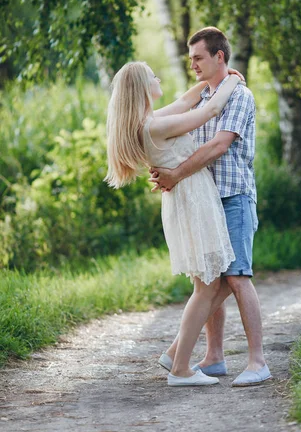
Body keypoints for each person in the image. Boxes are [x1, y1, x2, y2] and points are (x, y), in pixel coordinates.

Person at [104, 60, 244, 387]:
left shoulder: (150, 121)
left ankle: (174, 354)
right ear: (142, 87)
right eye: (153, 76)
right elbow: (207, 113)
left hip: (188, 199)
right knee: (211, 285)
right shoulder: (152, 127)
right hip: (193, 200)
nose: (158, 77)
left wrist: (213, 80)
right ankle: (180, 368)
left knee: (209, 283)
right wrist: (230, 84)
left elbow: (185, 103)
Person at [150, 27, 271, 387]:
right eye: (190, 60)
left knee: (237, 276)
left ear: (220, 56)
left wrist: (175, 174)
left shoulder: (240, 96)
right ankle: (213, 357)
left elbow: (219, 146)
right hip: (203, 202)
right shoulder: (203, 99)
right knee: (208, 275)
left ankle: (257, 361)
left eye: (199, 58)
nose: (193, 66)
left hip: (233, 196)